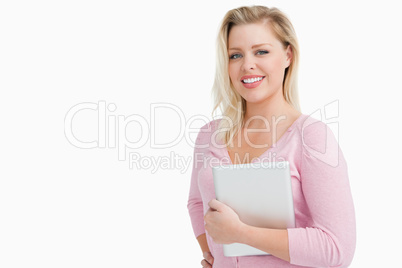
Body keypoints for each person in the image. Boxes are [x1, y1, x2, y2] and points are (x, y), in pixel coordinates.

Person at [187, 5, 356, 268]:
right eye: (235, 55)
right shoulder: (210, 134)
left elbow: (336, 249)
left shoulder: (312, 137)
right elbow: (197, 202)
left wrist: (241, 234)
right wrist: (214, 254)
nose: (247, 65)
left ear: (288, 55)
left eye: (261, 51)